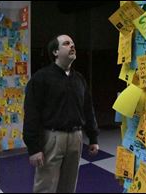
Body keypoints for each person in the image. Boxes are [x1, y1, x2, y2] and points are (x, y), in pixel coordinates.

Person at [23, 34, 100, 193]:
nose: (72, 46)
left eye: (72, 43)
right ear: (55, 52)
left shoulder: (79, 79)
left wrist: (93, 137)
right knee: (46, 186)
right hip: (52, 138)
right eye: (66, 43)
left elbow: (87, 108)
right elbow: (32, 113)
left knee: (68, 186)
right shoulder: (41, 78)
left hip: (76, 138)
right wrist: (33, 148)